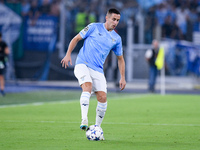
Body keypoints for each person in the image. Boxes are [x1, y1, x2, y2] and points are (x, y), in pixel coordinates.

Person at [61, 8, 126, 131]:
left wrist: (122, 77)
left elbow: (120, 59)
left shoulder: (117, 39)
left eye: (117, 20)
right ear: (107, 18)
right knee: (88, 86)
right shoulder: (94, 27)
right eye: (113, 19)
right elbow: (76, 39)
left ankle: (97, 127)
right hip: (83, 64)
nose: (115, 22)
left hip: (98, 69)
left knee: (102, 97)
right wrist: (68, 54)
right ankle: (84, 119)